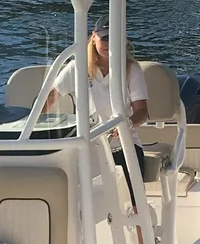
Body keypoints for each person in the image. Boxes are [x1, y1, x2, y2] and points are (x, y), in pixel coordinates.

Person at [48, 15, 150, 202]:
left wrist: (126, 124)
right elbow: (49, 98)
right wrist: (33, 123)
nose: (109, 44)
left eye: (115, 39)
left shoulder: (131, 69)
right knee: (75, 202)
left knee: (135, 203)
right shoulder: (76, 68)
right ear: (93, 37)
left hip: (124, 146)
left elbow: (142, 112)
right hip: (87, 147)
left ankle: (140, 229)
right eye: (104, 38)